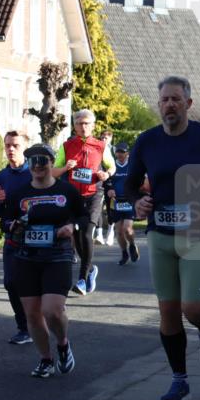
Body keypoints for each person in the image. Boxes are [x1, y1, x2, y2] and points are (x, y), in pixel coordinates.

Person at [125, 76, 200, 400]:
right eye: (164, 100)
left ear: (188, 104)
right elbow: (131, 185)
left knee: (193, 308)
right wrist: (137, 201)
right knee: (168, 313)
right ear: (158, 104)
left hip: (197, 233)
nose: (170, 105)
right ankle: (180, 380)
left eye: (176, 99)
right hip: (160, 235)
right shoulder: (146, 141)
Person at [3, 143, 85, 377]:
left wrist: (72, 225)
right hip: (26, 256)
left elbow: (83, 216)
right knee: (32, 314)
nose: (38, 165)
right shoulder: (20, 194)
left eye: (43, 161)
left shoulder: (67, 191)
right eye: (33, 161)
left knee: (52, 310)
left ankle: (62, 344)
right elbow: (5, 221)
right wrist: (14, 225)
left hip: (57, 255)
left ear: (51, 163)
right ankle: (45, 359)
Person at [52, 109, 115, 295]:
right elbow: (54, 172)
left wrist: (106, 174)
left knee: (87, 233)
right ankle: (90, 271)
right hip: (74, 196)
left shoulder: (101, 146)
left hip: (94, 193)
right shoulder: (66, 145)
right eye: (79, 123)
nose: (83, 126)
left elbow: (111, 166)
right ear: (75, 126)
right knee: (77, 237)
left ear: (93, 125)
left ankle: (81, 278)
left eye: (87, 123)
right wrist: (65, 167)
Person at [0, 130, 34, 345]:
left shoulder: (33, 174)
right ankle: (23, 327)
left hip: (35, 237)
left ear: (24, 149)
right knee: (10, 282)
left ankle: (39, 320)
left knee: (33, 284)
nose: (10, 149)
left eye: (15, 145)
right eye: (7, 145)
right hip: (12, 236)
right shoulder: (1, 176)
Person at [103, 142, 139, 265]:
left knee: (127, 229)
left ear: (127, 153)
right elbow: (107, 181)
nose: (120, 154)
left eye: (122, 152)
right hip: (116, 202)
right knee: (119, 231)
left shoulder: (132, 165)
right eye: (118, 152)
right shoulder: (111, 165)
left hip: (129, 201)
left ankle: (133, 245)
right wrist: (110, 189)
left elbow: (139, 180)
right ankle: (124, 252)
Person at [94, 130, 116, 246]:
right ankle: (99, 234)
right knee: (97, 208)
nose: (103, 140)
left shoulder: (114, 150)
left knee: (110, 208)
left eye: (105, 138)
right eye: (101, 138)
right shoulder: (97, 148)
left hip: (110, 182)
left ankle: (111, 232)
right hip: (99, 182)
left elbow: (115, 168)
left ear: (110, 139)